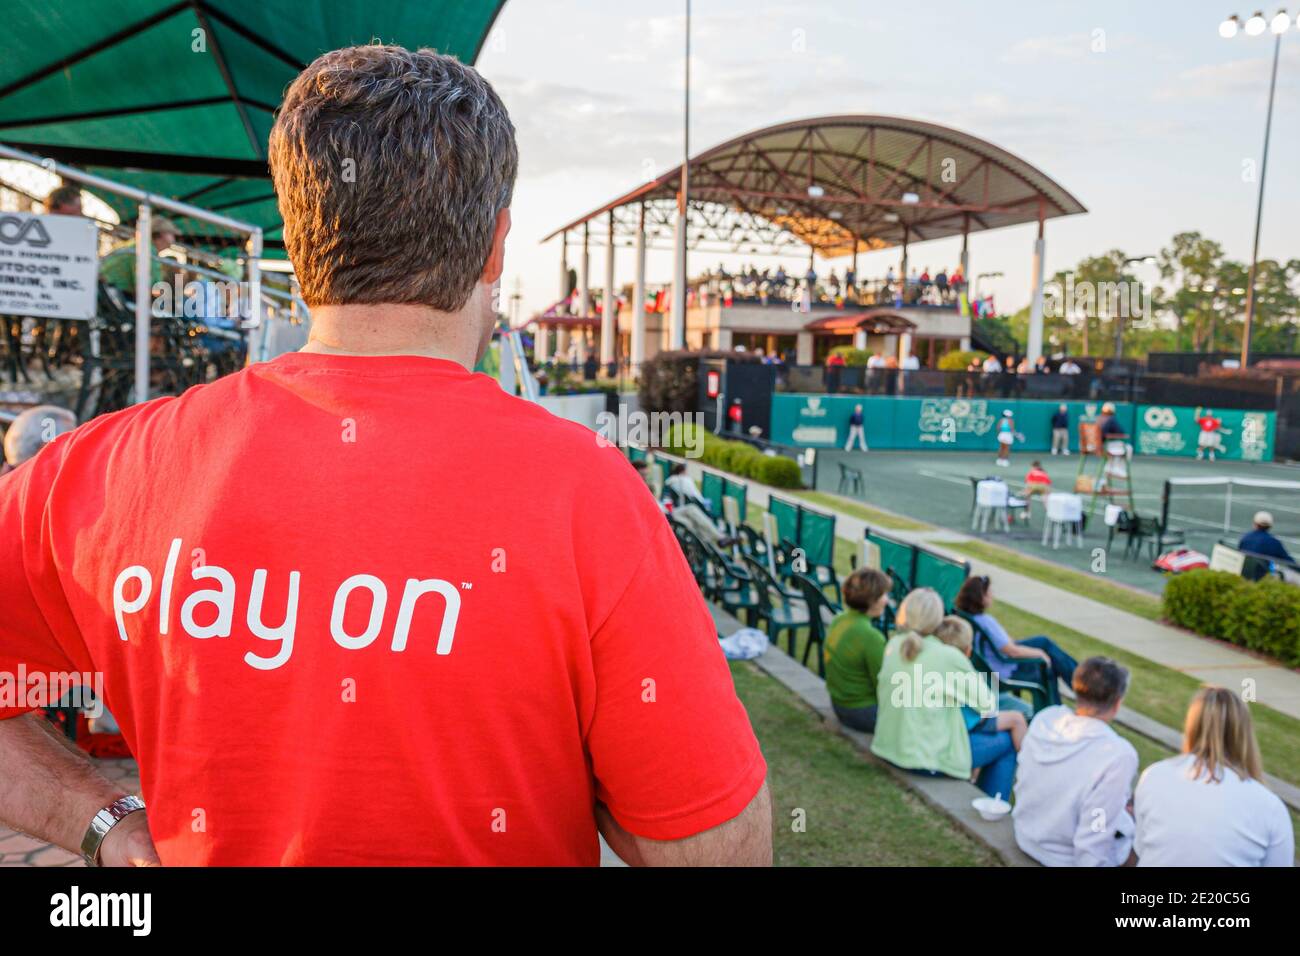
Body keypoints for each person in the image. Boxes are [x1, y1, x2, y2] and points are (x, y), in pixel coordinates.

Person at [0, 44, 771, 868]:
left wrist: (103, 819)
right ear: (496, 249)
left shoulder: (104, 472)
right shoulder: (587, 497)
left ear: (297, 239)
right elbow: (711, 849)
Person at [871, 589, 1014, 798]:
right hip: (926, 760)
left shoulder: (893, 644)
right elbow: (988, 705)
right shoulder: (948, 656)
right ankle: (988, 804)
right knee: (1007, 741)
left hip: (889, 747)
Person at [1134, 687, 1292, 866]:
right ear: (1244, 734)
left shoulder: (1154, 776)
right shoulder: (1269, 807)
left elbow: (1143, 846)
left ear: (1192, 726)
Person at [1012, 657, 1138, 867]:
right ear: (1117, 703)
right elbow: (1097, 826)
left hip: (1026, 833)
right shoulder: (1117, 754)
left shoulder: (1047, 719)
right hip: (1065, 857)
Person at [955, 575, 1077, 705]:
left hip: (991, 663)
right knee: (1046, 666)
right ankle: (1078, 685)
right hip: (1003, 669)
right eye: (989, 592)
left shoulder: (968, 618)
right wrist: (1041, 654)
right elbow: (1012, 651)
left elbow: (1006, 643)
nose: (992, 595)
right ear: (981, 598)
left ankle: (1078, 679)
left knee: (1043, 642)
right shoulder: (986, 622)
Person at [934, 615, 1027, 750]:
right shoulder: (963, 672)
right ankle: (1027, 766)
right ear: (968, 651)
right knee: (1016, 719)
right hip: (967, 723)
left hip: (955, 723)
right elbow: (987, 706)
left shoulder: (932, 665)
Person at [824, 568, 891, 733]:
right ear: (871, 600)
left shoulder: (840, 619)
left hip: (838, 704)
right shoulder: (871, 637)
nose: (887, 601)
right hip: (863, 713)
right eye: (883, 595)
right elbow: (884, 685)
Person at [98, 215, 180, 296]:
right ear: (162, 234)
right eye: (171, 234)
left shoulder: (138, 245)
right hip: (112, 294)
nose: (174, 239)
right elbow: (148, 287)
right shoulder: (147, 249)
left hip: (108, 291)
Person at [2, 404, 77, 476]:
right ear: (47, 448)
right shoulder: (51, 485)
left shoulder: (6, 483)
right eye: (71, 443)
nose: (75, 449)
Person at [1238, 510, 1295, 577]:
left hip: (1243, 576)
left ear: (1255, 523)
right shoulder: (1274, 542)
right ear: (1270, 526)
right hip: (1263, 579)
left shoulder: (1245, 538)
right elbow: (1289, 562)